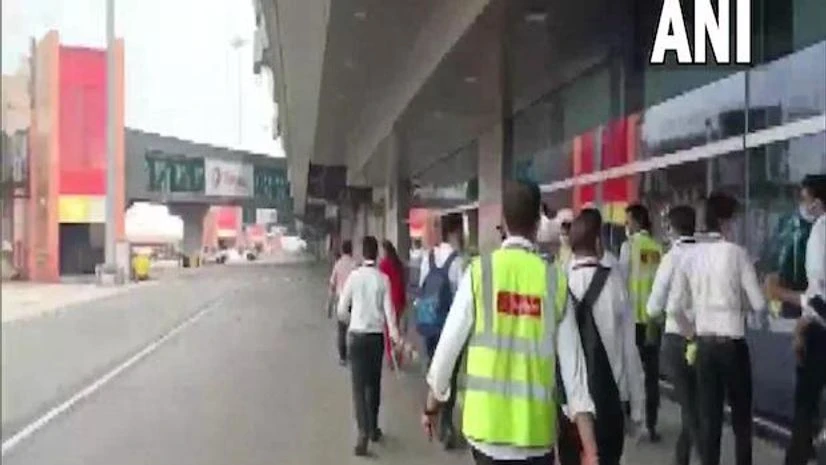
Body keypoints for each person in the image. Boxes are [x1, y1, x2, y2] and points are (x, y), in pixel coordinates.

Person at [422, 180, 599, 465]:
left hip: (485, 431)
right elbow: (574, 372)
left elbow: (447, 350)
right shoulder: (554, 281)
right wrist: (590, 449)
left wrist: (432, 406)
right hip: (535, 436)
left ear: (503, 220)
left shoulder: (479, 273)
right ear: (538, 223)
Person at [670, 192, 766, 465]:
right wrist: (739, 303)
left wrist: (692, 334)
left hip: (704, 346)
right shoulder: (737, 254)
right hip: (732, 346)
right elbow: (759, 304)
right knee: (741, 421)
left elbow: (674, 308)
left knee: (709, 420)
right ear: (725, 222)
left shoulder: (690, 256)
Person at [557, 209, 645, 465]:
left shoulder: (559, 284)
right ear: (598, 242)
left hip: (570, 410)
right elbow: (630, 352)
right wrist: (637, 409)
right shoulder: (616, 285)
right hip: (609, 405)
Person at [765, 174, 826, 465]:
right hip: (816, 323)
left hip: (819, 330)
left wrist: (801, 321)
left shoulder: (820, 231)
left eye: (806, 199)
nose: (803, 205)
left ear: (818, 201)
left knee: (805, 404)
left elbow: (818, 293)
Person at [337, 235, 401, 457]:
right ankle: (373, 428)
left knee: (358, 388)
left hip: (356, 337)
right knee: (373, 385)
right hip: (375, 339)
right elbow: (390, 314)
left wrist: (351, 321)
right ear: (377, 254)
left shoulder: (354, 277)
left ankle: (363, 432)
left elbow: (341, 309)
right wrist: (395, 338)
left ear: (362, 253)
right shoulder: (383, 280)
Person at [646, 205, 700, 465]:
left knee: (690, 408)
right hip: (703, 338)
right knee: (695, 406)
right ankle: (684, 458)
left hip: (676, 339)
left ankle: (697, 457)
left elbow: (653, 307)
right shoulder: (706, 256)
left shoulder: (671, 258)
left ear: (672, 229)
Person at [416, 212, 465, 448]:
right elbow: (461, 297)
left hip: (428, 324)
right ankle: (446, 424)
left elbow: (421, 288)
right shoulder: (457, 261)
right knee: (450, 374)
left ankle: (432, 409)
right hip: (448, 326)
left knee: (433, 369)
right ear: (455, 232)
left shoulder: (428, 257)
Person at [619, 203, 664, 441]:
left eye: (628, 221)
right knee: (652, 375)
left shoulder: (629, 247)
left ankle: (631, 422)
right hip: (653, 321)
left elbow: (621, 281)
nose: (626, 225)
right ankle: (652, 425)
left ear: (636, 222)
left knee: (631, 373)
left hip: (633, 320)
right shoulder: (658, 248)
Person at [380, 240, 407, 368]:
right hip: (400, 300)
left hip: (390, 300)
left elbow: (381, 284)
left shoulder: (384, 264)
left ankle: (392, 358)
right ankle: (398, 355)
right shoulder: (398, 263)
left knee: (389, 330)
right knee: (397, 329)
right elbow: (403, 282)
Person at [330, 240, 357, 365]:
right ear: (351, 250)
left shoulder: (338, 264)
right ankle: (353, 354)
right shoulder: (355, 265)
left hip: (341, 301)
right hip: (353, 302)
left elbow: (332, 285)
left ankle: (342, 357)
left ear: (342, 250)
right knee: (354, 329)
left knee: (341, 331)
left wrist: (329, 304)